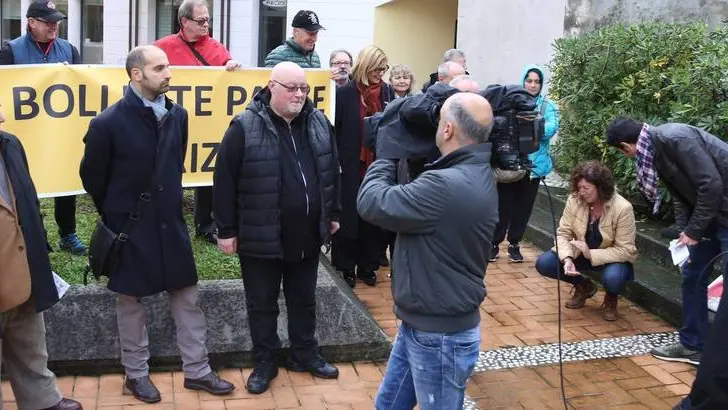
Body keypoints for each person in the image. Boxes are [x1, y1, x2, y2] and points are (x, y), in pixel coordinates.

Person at [79, 45, 233, 403]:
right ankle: (136, 375)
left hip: (171, 224)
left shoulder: (178, 115)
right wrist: (118, 212)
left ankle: (197, 371)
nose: (169, 74)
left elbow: (175, 161)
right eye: (160, 68)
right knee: (130, 304)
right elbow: (92, 178)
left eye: (168, 67)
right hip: (130, 229)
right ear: (137, 74)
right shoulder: (107, 123)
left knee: (188, 297)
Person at [358, 92, 497, 410]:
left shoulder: (445, 185)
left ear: (447, 130)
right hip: (423, 323)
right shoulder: (476, 170)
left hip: (440, 336)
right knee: (389, 405)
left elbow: (371, 202)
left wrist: (386, 152)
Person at [213, 61, 341, 395]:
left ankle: (304, 354)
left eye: (303, 88)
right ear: (272, 87)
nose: (299, 95)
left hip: (307, 235)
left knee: (304, 300)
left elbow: (331, 172)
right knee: (262, 304)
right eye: (292, 88)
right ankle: (265, 361)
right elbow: (224, 181)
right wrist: (225, 230)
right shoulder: (244, 126)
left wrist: (333, 213)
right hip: (261, 235)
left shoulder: (318, 123)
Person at [605, 117, 728, 365]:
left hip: (722, 211)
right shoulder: (654, 149)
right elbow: (680, 194)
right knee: (693, 274)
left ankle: (721, 357)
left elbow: (711, 185)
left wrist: (693, 230)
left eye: (623, 152)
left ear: (625, 146)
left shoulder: (675, 139)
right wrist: (685, 231)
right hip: (710, 214)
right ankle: (693, 345)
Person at [0, 101, 82, 410]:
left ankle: (43, 401)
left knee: (30, 342)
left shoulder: (9, 143)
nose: (2, 112)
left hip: (21, 264)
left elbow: (28, 201)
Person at [0, 0, 86, 255]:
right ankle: (35, 234)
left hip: (59, 130)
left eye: (56, 22)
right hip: (26, 132)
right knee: (26, 183)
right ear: (31, 22)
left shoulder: (69, 50)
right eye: (48, 22)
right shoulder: (10, 51)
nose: (54, 26)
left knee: (64, 178)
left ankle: (68, 233)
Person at [154, 0, 240, 245]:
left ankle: (205, 224)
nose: (206, 25)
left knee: (206, 171)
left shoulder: (216, 47)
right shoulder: (163, 47)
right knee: (169, 170)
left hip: (205, 122)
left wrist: (231, 67)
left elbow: (227, 73)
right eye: (201, 21)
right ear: (184, 22)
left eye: (208, 20)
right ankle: (167, 222)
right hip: (170, 120)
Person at [535, 160, 637, 321]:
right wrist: (567, 258)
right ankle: (583, 286)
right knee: (545, 263)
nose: (581, 192)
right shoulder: (574, 199)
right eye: (579, 187)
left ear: (600, 187)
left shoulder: (623, 208)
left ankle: (611, 298)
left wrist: (591, 254)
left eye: (586, 188)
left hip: (612, 258)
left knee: (613, 278)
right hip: (580, 252)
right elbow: (563, 233)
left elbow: (626, 250)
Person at [332, 45, 395, 288]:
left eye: (383, 68)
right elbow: (335, 127)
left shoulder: (386, 92)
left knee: (374, 218)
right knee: (348, 217)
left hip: (378, 165)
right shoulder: (346, 92)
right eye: (377, 68)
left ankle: (367, 265)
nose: (380, 73)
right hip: (349, 164)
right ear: (365, 66)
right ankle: (346, 266)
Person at [490, 64, 560, 263]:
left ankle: (514, 244)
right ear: (523, 82)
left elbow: (549, 129)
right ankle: (494, 243)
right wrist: (531, 124)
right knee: (502, 206)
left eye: (537, 81)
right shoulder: (510, 101)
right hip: (510, 164)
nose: (532, 85)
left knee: (523, 207)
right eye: (529, 80)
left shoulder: (548, 105)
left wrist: (523, 125)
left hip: (535, 167)